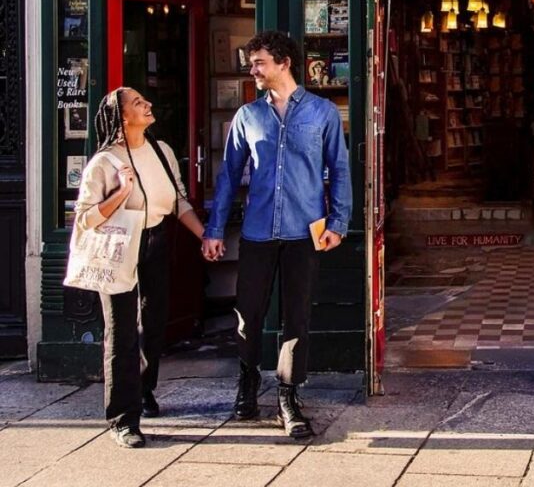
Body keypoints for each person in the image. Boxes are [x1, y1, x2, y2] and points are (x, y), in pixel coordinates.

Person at [204, 30, 351, 440]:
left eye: (259, 63)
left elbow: (339, 169)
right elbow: (229, 176)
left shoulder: (322, 113)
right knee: (248, 317)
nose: (252, 70)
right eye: (251, 64)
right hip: (257, 232)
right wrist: (215, 229)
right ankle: (247, 383)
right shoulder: (248, 117)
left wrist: (338, 222)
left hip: (305, 233)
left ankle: (289, 396)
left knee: (296, 318)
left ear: (284, 62)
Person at [74, 88, 205, 448]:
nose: (147, 104)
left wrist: (204, 236)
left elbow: (178, 199)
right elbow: (84, 218)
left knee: (154, 319)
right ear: (122, 117)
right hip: (118, 246)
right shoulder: (104, 162)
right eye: (137, 103)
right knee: (120, 332)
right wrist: (120, 193)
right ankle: (123, 418)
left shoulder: (161, 151)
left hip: (156, 240)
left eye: (146, 100)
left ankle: (144, 390)